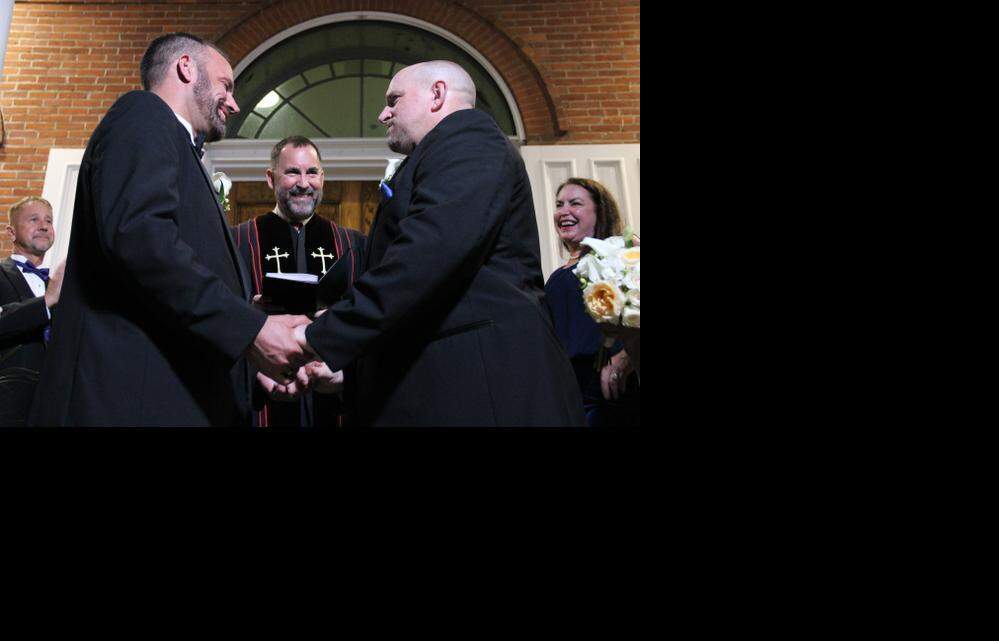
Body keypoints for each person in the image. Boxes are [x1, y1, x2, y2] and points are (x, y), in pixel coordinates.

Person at [28, 32, 310, 428]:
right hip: (129, 403)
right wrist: (251, 330)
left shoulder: (177, 144)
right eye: (226, 85)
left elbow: (172, 303)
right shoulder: (143, 115)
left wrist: (249, 370)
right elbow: (141, 240)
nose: (233, 102)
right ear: (185, 67)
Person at [292, 60, 584, 427]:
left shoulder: (468, 139)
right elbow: (429, 304)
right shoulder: (439, 153)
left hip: (483, 391)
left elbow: (423, 260)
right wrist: (351, 371)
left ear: (437, 94)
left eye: (394, 99)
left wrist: (315, 337)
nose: (383, 113)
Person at [232, 136, 366, 429]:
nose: (303, 183)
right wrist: (255, 368)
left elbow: (371, 326)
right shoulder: (239, 242)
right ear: (271, 178)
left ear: (322, 178)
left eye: (312, 172)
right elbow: (220, 326)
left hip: (332, 398)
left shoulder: (353, 245)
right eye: (292, 172)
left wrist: (347, 372)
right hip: (263, 401)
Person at [543, 178, 640, 428]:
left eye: (575, 203)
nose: (564, 211)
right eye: (559, 204)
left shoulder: (620, 255)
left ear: (599, 211)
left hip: (611, 387)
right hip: (572, 387)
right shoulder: (556, 276)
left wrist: (624, 359)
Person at [0, 197, 65, 427]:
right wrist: (46, 301)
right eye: (33, 219)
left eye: (48, 220)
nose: (44, 225)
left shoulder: (59, 284)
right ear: (11, 232)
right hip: (8, 406)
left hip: (55, 406)